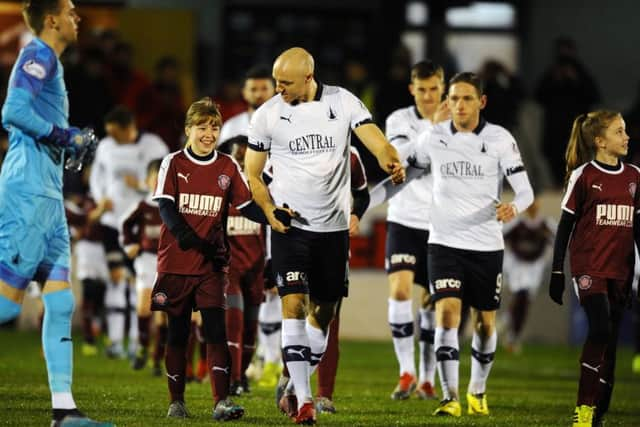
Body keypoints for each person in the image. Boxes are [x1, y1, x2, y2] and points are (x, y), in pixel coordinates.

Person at [244, 46, 405, 425]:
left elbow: (375, 140)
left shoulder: (342, 102)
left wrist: (389, 157)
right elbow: (252, 175)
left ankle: (290, 378)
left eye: (285, 83)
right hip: (290, 227)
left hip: (332, 231)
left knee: (325, 313)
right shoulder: (268, 114)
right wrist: (269, 211)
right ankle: (303, 401)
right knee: (294, 306)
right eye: (276, 82)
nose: (278, 89)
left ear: (308, 77)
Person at [369, 72, 534, 417]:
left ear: (481, 102)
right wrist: (361, 205)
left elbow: (525, 190)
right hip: (443, 242)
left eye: (467, 98)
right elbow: (402, 180)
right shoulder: (434, 138)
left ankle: (477, 390)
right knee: (447, 314)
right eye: (455, 98)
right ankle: (450, 397)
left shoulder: (500, 139)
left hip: (486, 244)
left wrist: (513, 207)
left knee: (485, 323)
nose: (459, 105)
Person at [0, 1, 111, 426]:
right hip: (27, 192)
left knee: (60, 303)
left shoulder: (52, 63)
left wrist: (67, 145)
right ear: (52, 20)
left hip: (48, 194)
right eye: (70, 11)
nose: (77, 17)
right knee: (8, 308)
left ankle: (64, 412)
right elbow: (12, 111)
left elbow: (37, 119)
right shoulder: (38, 53)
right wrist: (65, 134)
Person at [151, 96, 285, 421]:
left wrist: (272, 213)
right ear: (188, 129)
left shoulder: (227, 166)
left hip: (213, 264)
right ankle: (176, 401)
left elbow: (246, 206)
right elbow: (166, 208)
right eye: (202, 127)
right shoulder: (173, 162)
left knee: (216, 331)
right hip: (177, 263)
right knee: (179, 333)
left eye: (214, 127)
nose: (208, 133)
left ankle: (221, 402)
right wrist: (189, 239)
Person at [549, 111, 639, 427]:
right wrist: (557, 271)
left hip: (621, 271)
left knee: (610, 342)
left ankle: (599, 412)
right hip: (589, 268)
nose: (626, 136)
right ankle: (584, 410)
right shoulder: (584, 176)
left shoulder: (634, 176)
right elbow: (564, 227)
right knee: (600, 329)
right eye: (619, 131)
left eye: (625, 130)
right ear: (600, 142)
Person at [383, 60, 448, 401]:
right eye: (421, 89)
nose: (427, 96)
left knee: (432, 304)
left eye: (433, 89)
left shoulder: (460, 123)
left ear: (443, 87)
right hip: (405, 217)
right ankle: (406, 371)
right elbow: (401, 156)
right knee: (400, 289)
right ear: (412, 89)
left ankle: (426, 378)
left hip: (441, 222)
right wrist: (434, 128)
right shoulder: (399, 120)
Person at [89, 105, 168, 358]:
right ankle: (114, 341)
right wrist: (101, 199)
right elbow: (96, 179)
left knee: (139, 285)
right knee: (116, 278)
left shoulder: (154, 146)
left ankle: (136, 342)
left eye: (115, 132)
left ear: (128, 128)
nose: (112, 137)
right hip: (113, 223)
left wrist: (141, 189)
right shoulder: (105, 147)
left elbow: (165, 181)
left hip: (143, 226)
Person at [314, 145, 370, 414]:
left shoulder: (350, 153)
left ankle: (324, 394)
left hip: (334, 244)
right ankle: (291, 381)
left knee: (329, 319)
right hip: (295, 243)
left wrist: (356, 213)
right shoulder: (289, 141)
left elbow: (361, 194)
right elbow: (265, 185)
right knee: (294, 314)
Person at [120, 158, 163, 370]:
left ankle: (158, 356)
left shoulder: (173, 205)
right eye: (155, 179)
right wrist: (130, 244)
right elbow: (125, 225)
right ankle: (143, 347)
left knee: (163, 311)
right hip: (146, 259)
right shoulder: (142, 205)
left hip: (167, 261)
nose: (158, 183)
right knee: (145, 304)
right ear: (146, 181)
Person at [502, 198, 555, 353]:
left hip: (534, 267)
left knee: (524, 301)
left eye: (535, 202)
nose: (532, 206)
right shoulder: (517, 224)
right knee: (522, 295)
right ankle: (512, 333)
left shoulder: (545, 224)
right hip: (517, 266)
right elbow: (499, 236)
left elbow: (561, 238)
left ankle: (510, 327)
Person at [218, 64, 275, 151]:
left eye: (264, 89)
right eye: (253, 89)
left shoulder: (288, 125)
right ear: (244, 93)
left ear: (274, 90)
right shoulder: (232, 127)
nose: (259, 95)